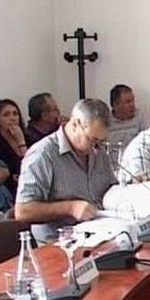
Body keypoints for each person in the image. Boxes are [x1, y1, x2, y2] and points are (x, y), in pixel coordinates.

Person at [15, 98, 114, 242]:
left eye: (100, 141)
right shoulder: (43, 154)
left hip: (100, 235)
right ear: (75, 124)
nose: (96, 147)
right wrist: (70, 208)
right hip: (59, 242)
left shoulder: (98, 150)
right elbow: (22, 211)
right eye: (92, 140)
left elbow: (109, 188)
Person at [0, 98, 28, 193]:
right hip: (14, 191)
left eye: (15, 114)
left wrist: (21, 141)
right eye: (6, 115)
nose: (12, 118)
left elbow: (36, 166)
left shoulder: (29, 138)